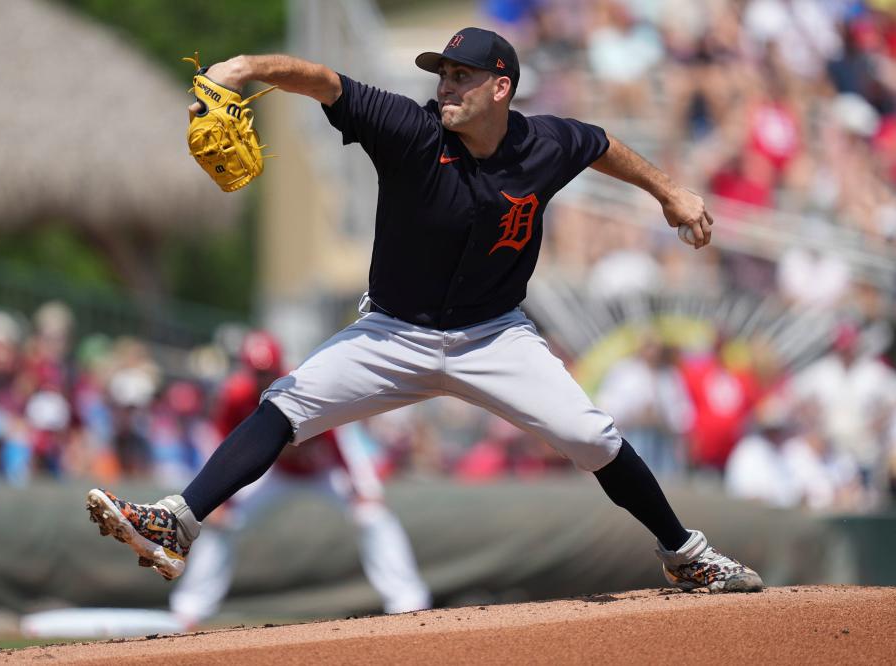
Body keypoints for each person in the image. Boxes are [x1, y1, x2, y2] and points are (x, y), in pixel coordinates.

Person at [87, 27, 762, 593]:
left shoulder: (546, 143)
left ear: (500, 87)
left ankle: (687, 557)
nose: (445, 86)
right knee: (285, 405)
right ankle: (175, 522)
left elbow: (599, 143)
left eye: (461, 76)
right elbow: (322, 79)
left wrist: (670, 191)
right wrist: (239, 69)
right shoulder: (409, 130)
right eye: (441, 74)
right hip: (392, 333)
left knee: (592, 439)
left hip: (495, 337)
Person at [168, 331, 430, 624]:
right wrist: (216, 498)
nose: (263, 378)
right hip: (274, 475)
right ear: (247, 371)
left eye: (268, 372)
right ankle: (189, 609)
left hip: (323, 472)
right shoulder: (236, 396)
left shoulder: (300, 384)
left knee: (373, 515)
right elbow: (217, 443)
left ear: (279, 366)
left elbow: (343, 437)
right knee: (222, 524)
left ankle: (408, 601)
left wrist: (364, 487)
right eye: (258, 373)